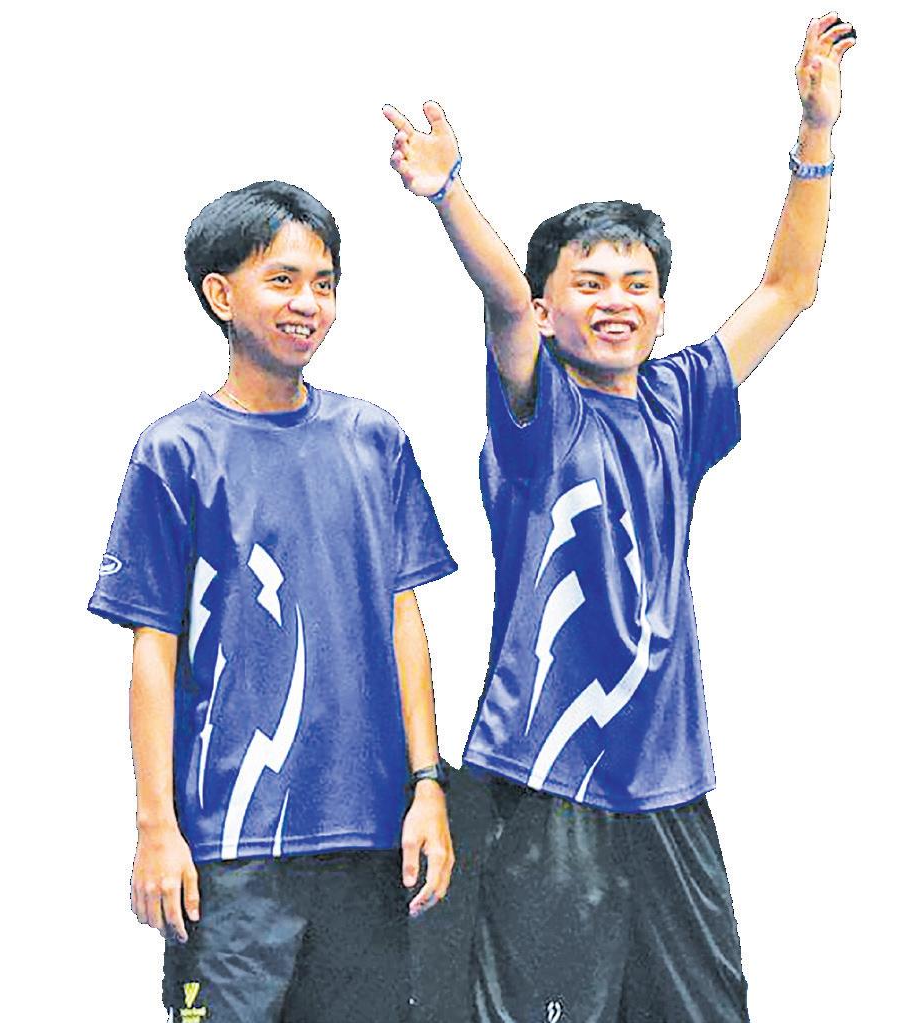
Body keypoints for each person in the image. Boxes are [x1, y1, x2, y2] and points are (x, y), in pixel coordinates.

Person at [384, 12, 854, 1022]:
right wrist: (449, 192)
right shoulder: (537, 412)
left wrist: (815, 130)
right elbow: (500, 297)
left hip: (669, 785)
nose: (616, 301)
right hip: (546, 783)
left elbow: (788, 286)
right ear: (548, 311)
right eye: (588, 284)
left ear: (661, 308)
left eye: (638, 286)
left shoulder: (680, 402)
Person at [88, 180, 457, 1023]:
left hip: (371, 842)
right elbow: (153, 649)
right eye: (282, 280)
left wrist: (428, 786)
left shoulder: (375, 439)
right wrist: (156, 825)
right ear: (221, 294)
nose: (308, 303)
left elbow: (405, 620)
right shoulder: (175, 451)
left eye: (324, 283)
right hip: (230, 850)